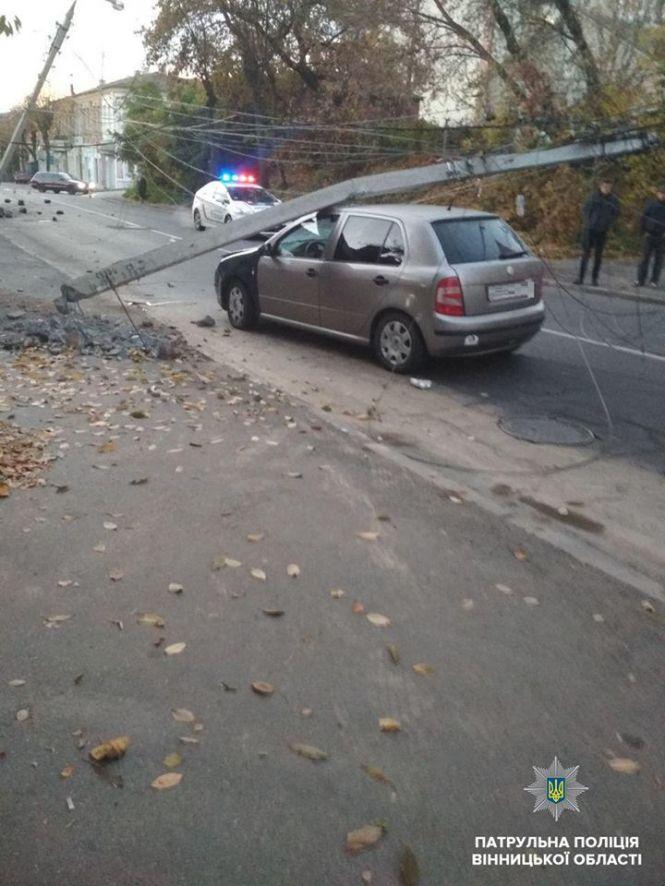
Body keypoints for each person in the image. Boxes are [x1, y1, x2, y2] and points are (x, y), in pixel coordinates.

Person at [574, 179, 620, 286]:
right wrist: (589, 222)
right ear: (600, 186)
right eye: (604, 186)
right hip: (589, 230)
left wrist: (608, 223)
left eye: (608, 187)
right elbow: (585, 210)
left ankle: (594, 279)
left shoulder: (613, 200)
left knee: (598, 257)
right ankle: (580, 278)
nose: (606, 189)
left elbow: (616, 213)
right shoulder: (593, 197)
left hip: (602, 231)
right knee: (585, 255)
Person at [635, 184, 665, 288]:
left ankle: (654, 281)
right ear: (657, 194)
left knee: (658, 260)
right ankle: (640, 280)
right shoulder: (650, 204)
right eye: (661, 193)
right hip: (649, 235)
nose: (663, 196)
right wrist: (642, 232)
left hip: (661, 237)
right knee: (644, 259)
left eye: (664, 194)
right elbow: (643, 218)